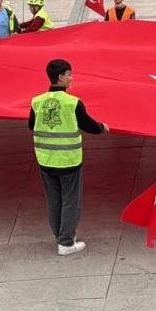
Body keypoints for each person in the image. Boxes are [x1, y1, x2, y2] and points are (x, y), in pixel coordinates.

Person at [31, 59, 109, 256]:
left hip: (46, 160)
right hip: (68, 160)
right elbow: (89, 126)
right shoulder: (72, 103)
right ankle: (66, 242)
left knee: (54, 199)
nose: (71, 78)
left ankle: (60, 235)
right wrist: (102, 127)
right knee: (71, 201)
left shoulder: (36, 101)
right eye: (69, 74)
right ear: (60, 77)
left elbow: (32, 125)